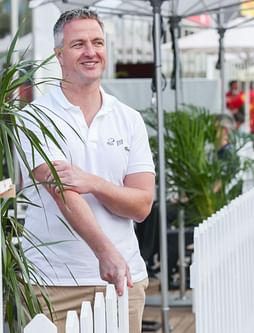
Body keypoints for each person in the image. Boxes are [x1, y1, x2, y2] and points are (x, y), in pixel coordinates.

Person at [18, 9, 155, 333]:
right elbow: (63, 191)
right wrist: (105, 252)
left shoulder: (129, 118)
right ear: (59, 55)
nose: (91, 51)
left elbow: (141, 205)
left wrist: (94, 183)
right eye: (78, 44)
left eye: (98, 42)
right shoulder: (36, 117)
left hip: (124, 282)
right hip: (54, 284)